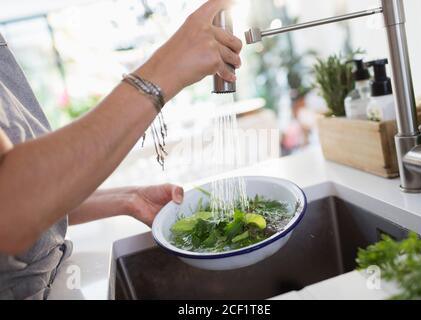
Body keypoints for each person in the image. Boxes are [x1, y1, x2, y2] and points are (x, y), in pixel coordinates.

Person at [0, 0, 242, 299]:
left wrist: (126, 198)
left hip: (57, 278)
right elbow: (9, 211)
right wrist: (166, 67)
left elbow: (30, 185)